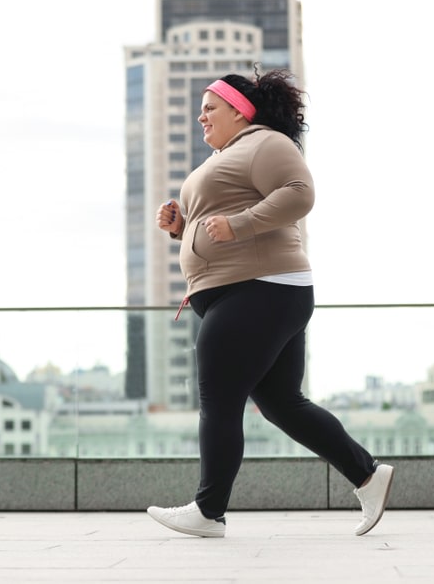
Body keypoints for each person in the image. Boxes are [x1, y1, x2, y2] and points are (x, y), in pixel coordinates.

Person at [146, 67, 394, 539]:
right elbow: (217, 219)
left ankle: (208, 510)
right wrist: (181, 227)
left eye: (210, 108)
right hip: (261, 290)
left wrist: (239, 225)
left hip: (259, 289)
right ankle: (367, 475)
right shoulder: (236, 153)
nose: (201, 117)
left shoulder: (266, 143)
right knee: (282, 403)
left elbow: (301, 195)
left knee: (218, 400)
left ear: (240, 112)